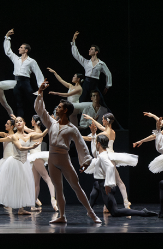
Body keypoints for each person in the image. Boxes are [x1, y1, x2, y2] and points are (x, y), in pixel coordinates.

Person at [34, 80, 101, 224]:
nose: (56, 109)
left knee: (76, 186)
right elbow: (40, 110)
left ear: (65, 110)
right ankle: (62, 216)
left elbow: (81, 146)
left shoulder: (72, 128)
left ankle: (91, 212)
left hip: (64, 159)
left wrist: (85, 162)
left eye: (59, 107)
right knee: (58, 188)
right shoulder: (52, 123)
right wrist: (40, 93)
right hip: (52, 158)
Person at [0, 117, 45, 215]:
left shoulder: (29, 135)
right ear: (15, 125)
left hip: (24, 163)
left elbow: (43, 134)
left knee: (23, 184)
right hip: (14, 162)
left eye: (20, 121)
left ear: (24, 123)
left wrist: (52, 123)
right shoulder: (13, 136)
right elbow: (17, 146)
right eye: (17, 121)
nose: (18, 122)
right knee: (5, 183)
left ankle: (21, 209)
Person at [83, 134, 157, 217]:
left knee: (115, 212)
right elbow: (94, 152)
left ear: (99, 144)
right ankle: (90, 210)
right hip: (101, 183)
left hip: (106, 186)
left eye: (96, 143)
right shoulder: (101, 154)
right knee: (95, 185)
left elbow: (110, 167)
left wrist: (108, 185)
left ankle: (143, 213)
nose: (95, 144)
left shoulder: (103, 156)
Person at [81, 113, 135, 210]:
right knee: (119, 182)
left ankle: (108, 206)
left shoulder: (104, 134)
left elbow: (91, 138)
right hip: (111, 156)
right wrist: (91, 118)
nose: (102, 121)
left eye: (103, 119)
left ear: (107, 121)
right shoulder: (112, 131)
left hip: (106, 157)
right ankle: (125, 202)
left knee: (106, 182)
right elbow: (101, 126)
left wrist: (77, 136)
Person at [3, 29, 44, 117]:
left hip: (26, 82)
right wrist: (7, 37)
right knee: (19, 103)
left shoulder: (31, 61)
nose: (19, 48)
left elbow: (38, 73)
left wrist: (41, 85)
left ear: (26, 50)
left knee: (33, 100)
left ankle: (40, 118)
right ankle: (19, 121)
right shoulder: (16, 59)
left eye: (21, 47)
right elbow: (8, 51)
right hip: (17, 82)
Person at [21, 115, 57, 211]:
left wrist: (50, 122)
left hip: (36, 157)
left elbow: (24, 129)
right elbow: (24, 128)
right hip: (33, 158)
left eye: (32, 120)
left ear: (35, 122)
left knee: (47, 178)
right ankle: (33, 205)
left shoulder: (36, 133)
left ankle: (53, 200)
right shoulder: (36, 132)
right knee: (36, 183)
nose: (31, 121)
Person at [70, 31, 111, 106]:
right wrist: (73, 41)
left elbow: (108, 74)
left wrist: (107, 86)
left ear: (96, 52)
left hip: (94, 84)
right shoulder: (86, 62)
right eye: (90, 49)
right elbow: (76, 55)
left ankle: (108, 117)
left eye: (91, 49)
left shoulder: (101, 64)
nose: (89, 50)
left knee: (101, 102)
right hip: (86, 83)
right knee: (81, 101)